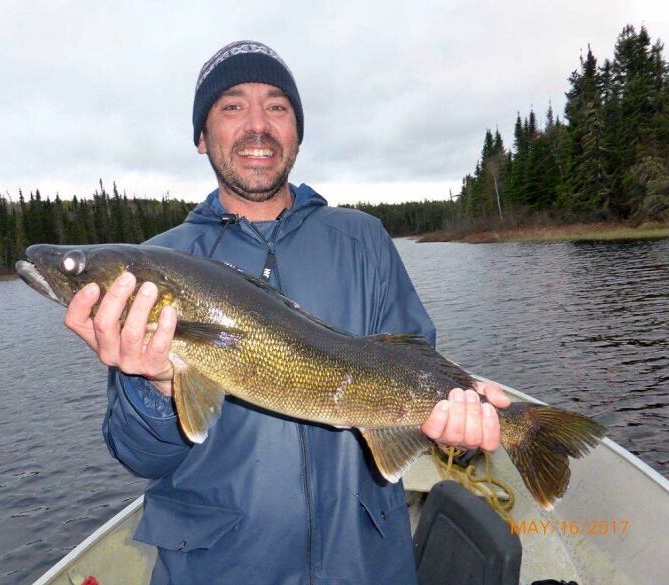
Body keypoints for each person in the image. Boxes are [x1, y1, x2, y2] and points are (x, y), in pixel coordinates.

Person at [63, 40, 510, 585]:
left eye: (276, 106)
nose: (258, 125)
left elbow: (413, 364)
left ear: (297, 131)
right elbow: (140, 456)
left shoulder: (363, 239)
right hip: (220, 569)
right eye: (232, 106)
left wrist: (452, 420)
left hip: (367, 566)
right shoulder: (159, 264)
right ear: (202, 138)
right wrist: (154, 389)